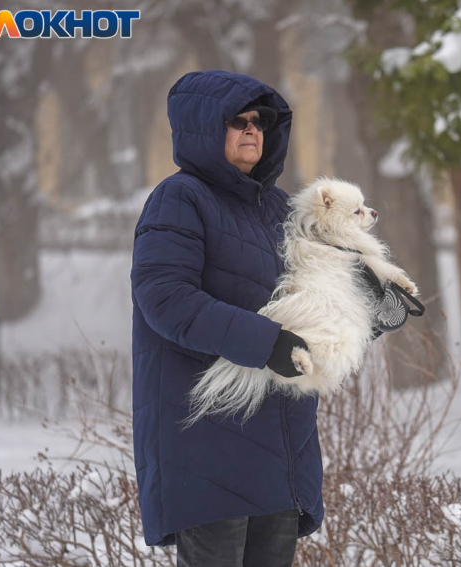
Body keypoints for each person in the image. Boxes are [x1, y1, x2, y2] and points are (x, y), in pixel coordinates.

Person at [130, 70, 323, 566]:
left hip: (278, 442)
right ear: (201, 128)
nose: (252, 130)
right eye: (237, 121)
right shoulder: (180, 198)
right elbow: (166, 298)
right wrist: (267, 343)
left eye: (259, 121)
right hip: (207, 446)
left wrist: (363, 311)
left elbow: (313, 293)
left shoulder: (279, 208)